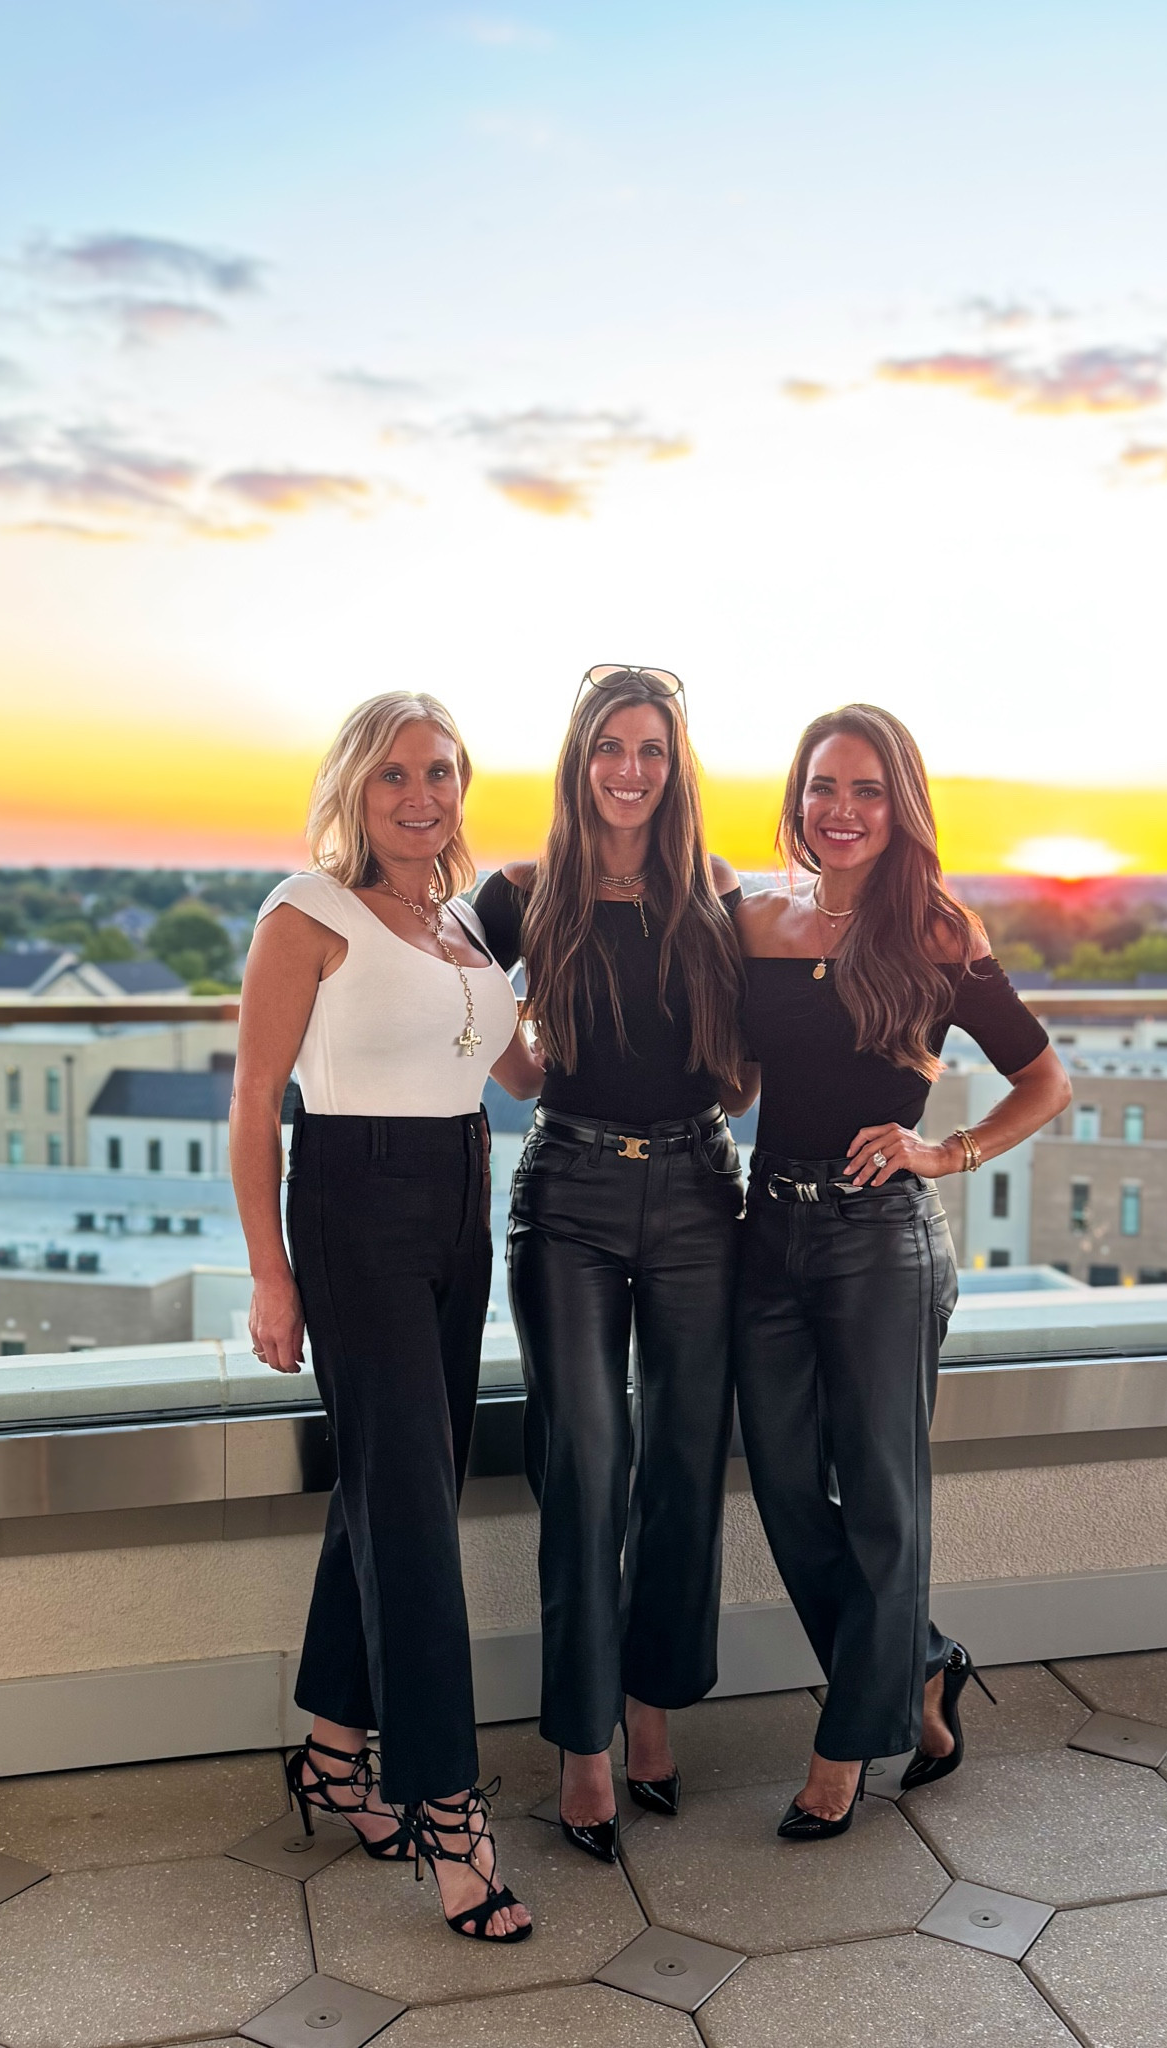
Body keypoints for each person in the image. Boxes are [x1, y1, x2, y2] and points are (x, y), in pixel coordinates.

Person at [231, 690, 543, 1943]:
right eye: (395, 775)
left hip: (462, 1204)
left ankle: (329, 1744)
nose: (423, 796)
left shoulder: (463, 924)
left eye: (442, 773)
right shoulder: (305, 913)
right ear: (354, 788)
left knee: (391, 1481)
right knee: (414, 1510)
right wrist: (270, 1272)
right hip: (356, 1209)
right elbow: (255, 1105)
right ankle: (452, 1816)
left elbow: (520, 1070)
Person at [731, 702, 1071, 1838]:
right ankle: (919, 1665)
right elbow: (736, 1075)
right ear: (797, 797)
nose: (841, 808)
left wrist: (946, 1150)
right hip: (764, 1229)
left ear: (899, 804)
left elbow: (1042, 1080)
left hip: (879, 1240)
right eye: (824, 785)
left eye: (866, 788)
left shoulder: (933, 929)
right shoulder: (755, 920)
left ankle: (844, 1744)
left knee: (882, 1498)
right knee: (783, 1485)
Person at [474, 665, 749, 1862]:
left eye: (650, 749)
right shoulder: (518, 895)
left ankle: (650, 1708)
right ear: (577, 760)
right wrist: (542, 1075)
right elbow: (471, 1021)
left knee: (683, 1459)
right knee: (587, 1459)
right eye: (608, 748)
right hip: (571, 1193)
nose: (629, 770)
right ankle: (582, 1743)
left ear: (673, 764)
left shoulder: (718, 894)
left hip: (698, 1188)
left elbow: (747, 1062)